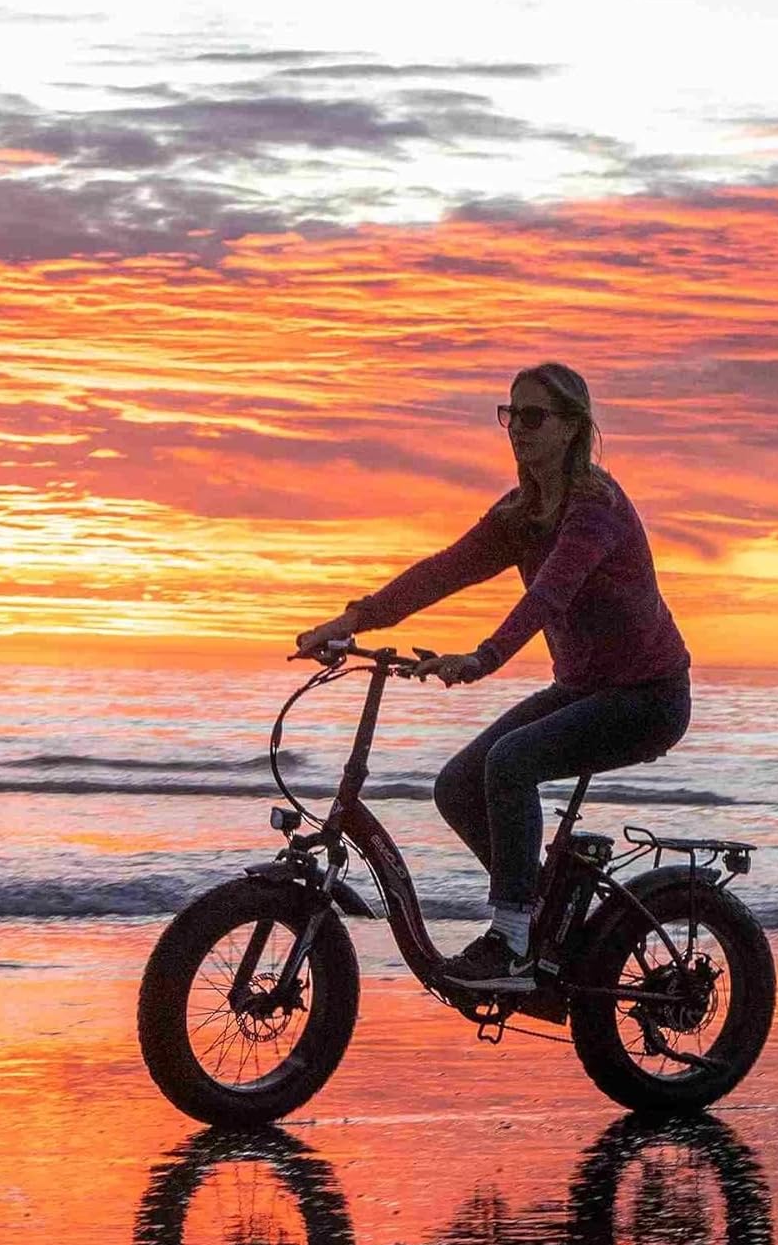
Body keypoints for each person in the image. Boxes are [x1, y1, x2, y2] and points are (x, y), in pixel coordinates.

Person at [295, 362, 690, 992]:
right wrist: (352, 620)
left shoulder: (595, 509)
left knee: (509, 763)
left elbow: (550, 597)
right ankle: (536, 916)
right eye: (511, 414)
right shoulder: (521, 513)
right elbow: (444, 571)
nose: (517, 428)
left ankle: (511, 941)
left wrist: (484, 658)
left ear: (572, 428)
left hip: (648, 697)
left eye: (534, 416)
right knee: (456, 785)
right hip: (584, 689)